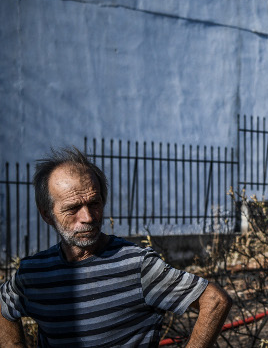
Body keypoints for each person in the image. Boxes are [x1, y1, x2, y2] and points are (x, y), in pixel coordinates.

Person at [0, 148, 231, 347]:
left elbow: (215, 301)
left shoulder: (136, 264)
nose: (88, 217)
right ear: (47, 215)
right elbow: (3, 305)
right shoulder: (34, 272)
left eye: (95, 203)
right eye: (73, 208)